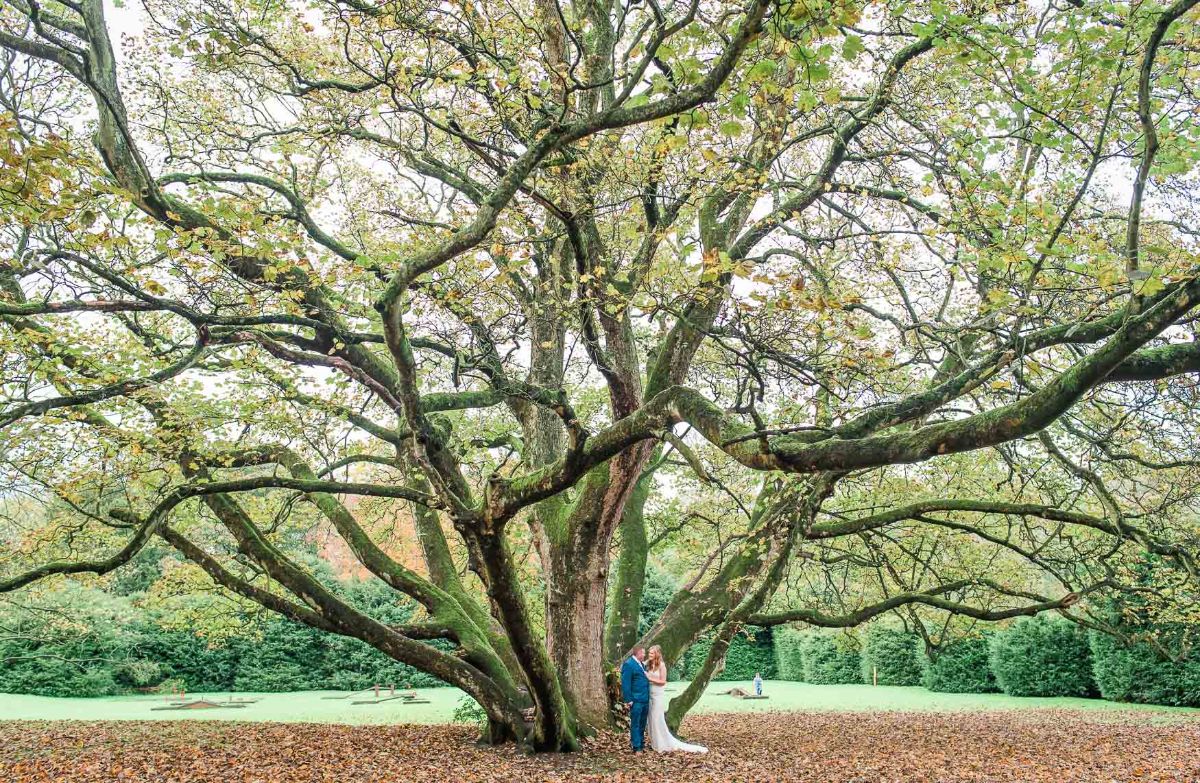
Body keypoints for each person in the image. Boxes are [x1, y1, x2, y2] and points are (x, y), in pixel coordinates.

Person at [644, 645, 707, 753]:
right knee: (650, 720)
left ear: (657, 654)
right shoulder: (647, 664)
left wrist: (649, 678)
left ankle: (661, 744)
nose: (650, 655)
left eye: (652, 653)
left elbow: (663, 681)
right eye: (649, 653)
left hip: (657, 695)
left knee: (656, 719)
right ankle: (654, 743)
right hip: (649, 695)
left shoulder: (661, 666)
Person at [620, 646, 650, 752]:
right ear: (638, 653)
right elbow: (625, 683)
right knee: (636, 723)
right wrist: (629, 700)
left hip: (645, 699)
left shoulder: (642, 665)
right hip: (636, 700)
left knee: (642, 723)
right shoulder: (629, 664)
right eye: (643, 653)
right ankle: (636, 746)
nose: (645, 655)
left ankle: (641, 743)